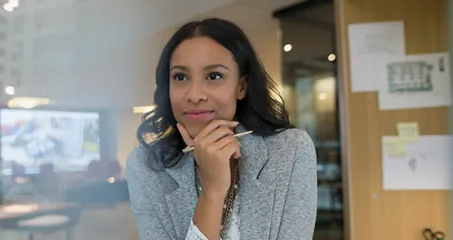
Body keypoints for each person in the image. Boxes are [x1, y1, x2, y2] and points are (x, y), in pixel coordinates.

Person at [126, 18, 317, 240]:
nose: (195, 95)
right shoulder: (146, 166)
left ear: (241, 86)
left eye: (214, 76)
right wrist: (212, 193)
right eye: (180, 77)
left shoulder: (291, 150)